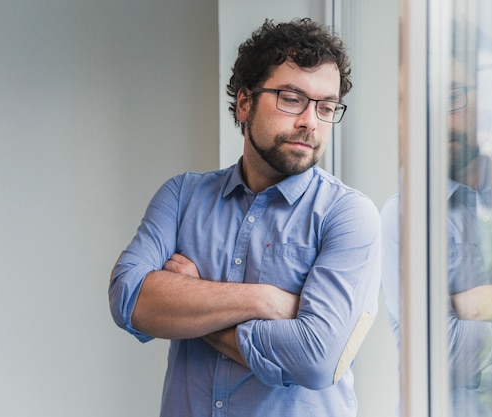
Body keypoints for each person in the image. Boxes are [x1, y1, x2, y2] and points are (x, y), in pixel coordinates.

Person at [109, 18, 381, 417]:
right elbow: (129, 299)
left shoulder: (348, 215)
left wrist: (194, 308)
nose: (310, 121)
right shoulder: (182, 196)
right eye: (291, 98)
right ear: (244, 102)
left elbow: (318, 357)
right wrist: (267, 300)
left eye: (326, 107)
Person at [380, 52, 492, 416]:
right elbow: (440, 353)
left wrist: (481, 302)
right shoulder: (403, 215)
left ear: (484, 97)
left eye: (451, 98)